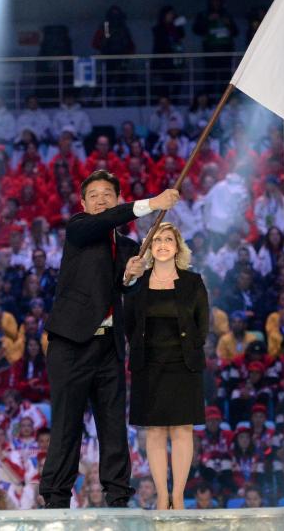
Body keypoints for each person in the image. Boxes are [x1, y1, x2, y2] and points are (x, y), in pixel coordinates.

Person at [38, 170, 179, 508]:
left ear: (117, 198)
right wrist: (152, 203)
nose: (101, 199)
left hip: (108, 346)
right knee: (67, 424)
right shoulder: (79, 230)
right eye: (94, 195)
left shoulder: (130, 247)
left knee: (113, 426)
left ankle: (117, 496)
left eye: (107, 194)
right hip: (71, 343)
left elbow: (123, 290)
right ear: (83, 203)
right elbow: (109, 221)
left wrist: (131, 277)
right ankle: (56, 498)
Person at [126, 222, 208, 510]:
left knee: (183, 430)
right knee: (156, 431)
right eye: (157, 239)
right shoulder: (137, 284)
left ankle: (178, 496)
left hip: (183, 364)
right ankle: (162, 496)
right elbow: (129, 325)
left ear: (177, 246)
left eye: (168, 239)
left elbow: (202, 326)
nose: (162, 244)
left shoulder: (193, 282)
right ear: (149, 247)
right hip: (148, 365)